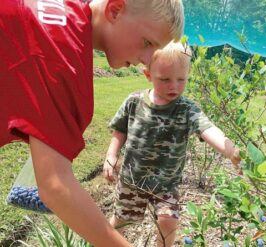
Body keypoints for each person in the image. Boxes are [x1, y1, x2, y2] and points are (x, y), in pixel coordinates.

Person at [0, 0, 184, 246]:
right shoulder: (61, 54)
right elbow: (55, 186)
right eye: (147, 43)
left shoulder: (65, 12)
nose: (149, 60)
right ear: (115, 10)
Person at [103, 41, 242, 247]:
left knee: (169, 220)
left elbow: (208, 129)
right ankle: (100, 240)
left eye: (181, 79)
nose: (174, 86)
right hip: (132, 180)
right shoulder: (134, 102)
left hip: (166, 184)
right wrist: (111, 154)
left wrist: (231, 150)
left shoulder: (187, 109)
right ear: (148, 75)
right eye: (165, 79)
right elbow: (120, 129)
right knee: (123, 220)